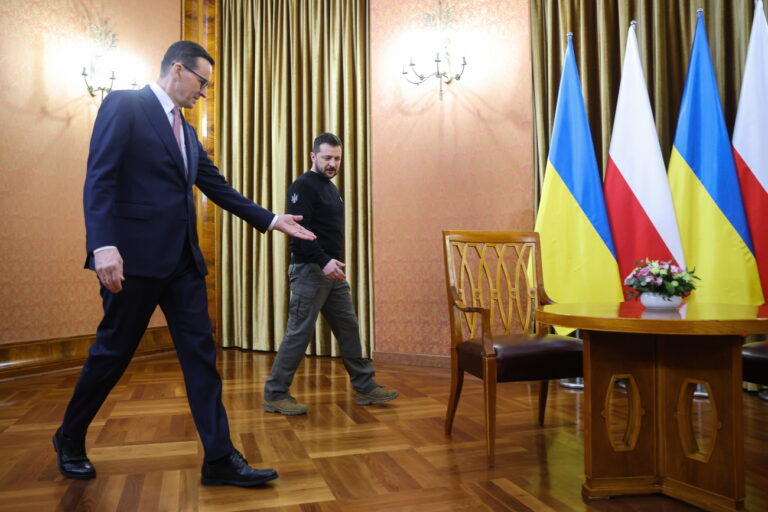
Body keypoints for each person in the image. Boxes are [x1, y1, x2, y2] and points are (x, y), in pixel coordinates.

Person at [53, 41, 316, 488]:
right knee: (112, 355)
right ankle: (70, 436)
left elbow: (219, 188)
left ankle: (218, 457)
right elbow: (99, 176)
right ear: (178, 70)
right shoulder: (125, 105)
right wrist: (102, 246)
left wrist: (273, 220)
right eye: (202, 82)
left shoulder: (189, 134)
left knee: (201, 359)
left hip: (182, 266)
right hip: (132, 261)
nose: (204, 92)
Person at [262, 133, 399, 415]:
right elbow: (299, 235)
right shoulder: (302, 186)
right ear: (313, 156)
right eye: (326, 157)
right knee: (298, 333)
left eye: (336, 158)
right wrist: (325, 262)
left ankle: (365, 387)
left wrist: (330, 264)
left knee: (348, 327)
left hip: (330, 270)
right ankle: (275, 394)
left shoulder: (329, 187)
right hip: (310, 270)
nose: (332, 163)